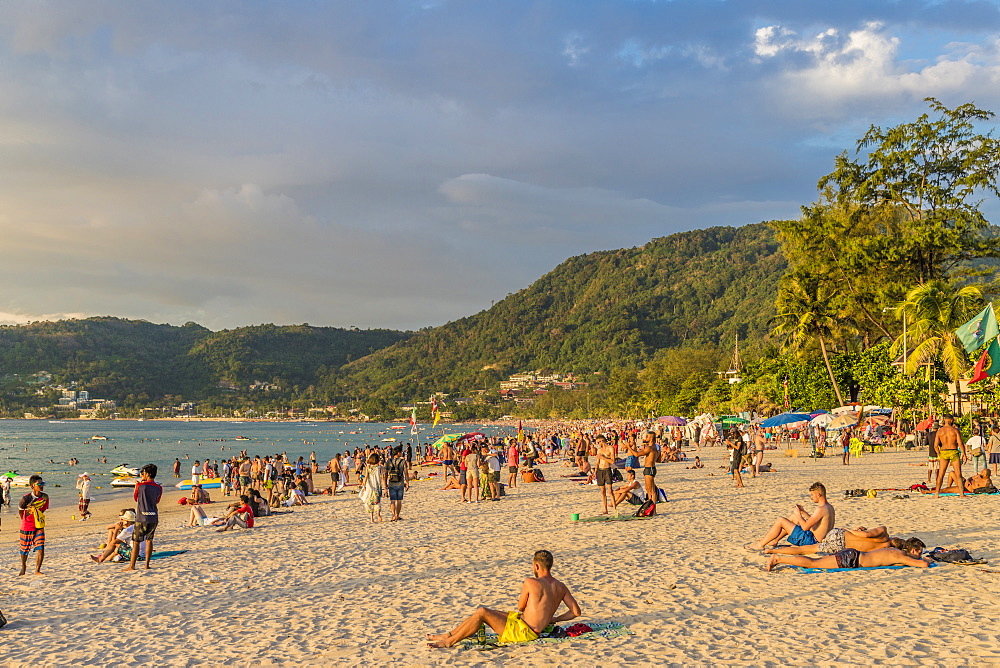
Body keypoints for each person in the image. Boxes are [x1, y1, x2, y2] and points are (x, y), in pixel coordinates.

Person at [426, 550, 581, 648]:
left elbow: (520, 607)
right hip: (525, 625)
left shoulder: (531, 582)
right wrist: (555, 619)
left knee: (482, 612)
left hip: (524, 632)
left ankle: (449, 642)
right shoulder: (560, 586)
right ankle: (449, 634)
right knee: (489, 612)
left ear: (536, 566)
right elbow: (576, 612)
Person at [745, 482, 834, 550]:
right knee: (793, 517)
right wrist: (803, 513)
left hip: (812, 541)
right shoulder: (829, 507)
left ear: (818, 494)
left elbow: (806, 527)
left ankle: (760, 545)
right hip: (818, 538)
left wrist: (799, 515)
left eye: (812, 495)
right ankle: (774, 540)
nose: (811, 497)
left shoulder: (820, 509)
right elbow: (816, 524)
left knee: (781, 520)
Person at [766, 540, 930, 571]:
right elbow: (922, 565)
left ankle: (779, 558)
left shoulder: (895, 551)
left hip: (852, 555)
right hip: (851, 560)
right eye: (919, 553)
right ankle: (778, 558)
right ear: (913, 551)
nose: (920, 556)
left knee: (815, 561)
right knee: (813, 563)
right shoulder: (901, 556)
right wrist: (926, 560)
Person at [765, 526, 906, 555]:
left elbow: (867, 535)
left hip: (840, 536)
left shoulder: (884, 531)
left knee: (809, 544)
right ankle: (772, 551)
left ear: (897, 538)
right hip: (841, 548)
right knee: (806, 550)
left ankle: (772, 547)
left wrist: (850, 530)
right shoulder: (885, 549)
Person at [128, 463, 161, 571]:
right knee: (149, 540)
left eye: (143, 473)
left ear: (147, 474)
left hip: (142, 516)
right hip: (153, 516)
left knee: (136, 541)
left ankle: (132, 566)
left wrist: (136, 487)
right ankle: (146, 564)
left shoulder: (140, 486)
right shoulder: (159, 487)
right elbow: (157, 501)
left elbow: (136, 498)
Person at [17, 475, 48, 576]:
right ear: (32, 486)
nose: (41, 486)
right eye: (39, 484)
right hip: (26, 526)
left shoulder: (45, 497)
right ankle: (23, 566)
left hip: (39, 525)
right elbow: (21, 511)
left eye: (42, 483)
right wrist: (27, 520)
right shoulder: (25, 498)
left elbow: (43, 510)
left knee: (41, 547)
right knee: (24, 549)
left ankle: (37, 570)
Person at [934, 415, 969, 497]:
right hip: (953, 451)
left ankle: (936, 493)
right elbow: (960, 443)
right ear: (951, 420)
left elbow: (935, 445)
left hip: (944, 452)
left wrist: (938, 453)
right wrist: (964, 454)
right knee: (958, 474)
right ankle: (961, 494)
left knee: (941, 474)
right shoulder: (955, 431)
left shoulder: (940, 431)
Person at [628, 430, 658, 510]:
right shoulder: (655, 447)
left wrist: (628, 447)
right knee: (649, 489)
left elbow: (637, 454)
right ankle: (651, 507)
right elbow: (659, 459)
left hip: (649, 468)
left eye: (647, 437)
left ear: (651, 438)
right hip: (650, 468)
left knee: (651, 490)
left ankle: (653, 509)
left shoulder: (650, 448)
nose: (646, 438)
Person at [385, 446, 410, 521]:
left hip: (391, 482)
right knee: (399, 500)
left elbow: (385, 473)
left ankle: (393, 515)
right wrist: (407, 482)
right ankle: (397, 515)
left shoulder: (389, 461)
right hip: (400, 482)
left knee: (392, 500)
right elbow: (406, 473)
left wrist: (385, 483)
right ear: (398, 453)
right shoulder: (403, 461)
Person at [360, 454, 385, 522]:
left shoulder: (368, 467)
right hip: (377, 486)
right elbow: (383, 477)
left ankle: (371, 518)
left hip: (369, 486)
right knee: (377, 501)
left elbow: (366, 476)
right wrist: (385, 488)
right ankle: (378, 515)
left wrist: (364, 484)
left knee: (369, 502)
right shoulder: (379, 467)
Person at [595, 435, 615, 514]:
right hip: (600, 470)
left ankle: (614, 509)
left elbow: (612, 461)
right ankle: (605, 509)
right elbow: (597, 462)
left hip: (607, 469)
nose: (598, 444)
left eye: (598, 442)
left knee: (610, 491)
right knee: (602, 491)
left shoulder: (610, 448)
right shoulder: (599, 450)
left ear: (602, 441)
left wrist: (603, 457)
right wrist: (595, 471)